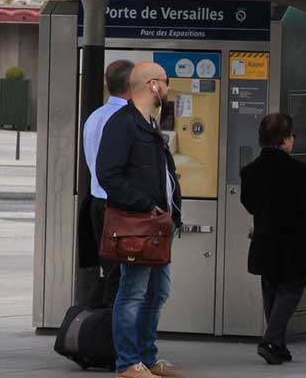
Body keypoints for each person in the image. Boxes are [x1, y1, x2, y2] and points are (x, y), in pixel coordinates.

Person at [96, 62, 185, 378]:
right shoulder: (124, 124)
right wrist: (146, 206)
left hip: (158, 225)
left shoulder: (148, 122)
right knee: (133, 292)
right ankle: (127, 363)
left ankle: (147, 358)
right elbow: (108, 174)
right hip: (139, 224)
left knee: (157, 293)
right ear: (152, 85)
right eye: (166, 81)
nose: (168, 88)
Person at [240, 113, 306, 365]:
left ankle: (277, 344)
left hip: (265, 235)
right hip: (296, 238)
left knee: (271, 285)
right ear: (285, 140)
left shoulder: (250, 170)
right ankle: (271, 340)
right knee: (293, 286)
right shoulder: (297, 169)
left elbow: (249, 202)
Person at [82, 59, 135, 304]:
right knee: (122, 277)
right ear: (131, 85)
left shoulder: (95, 116)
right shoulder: (125, 119)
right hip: (117, 206)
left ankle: (104, 328)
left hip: (97, 202)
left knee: (110, 271)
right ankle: (112, 333)